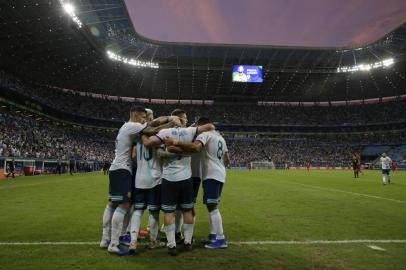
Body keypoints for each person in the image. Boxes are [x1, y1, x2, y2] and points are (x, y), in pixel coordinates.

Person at [100, 105, 181, 255]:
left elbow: (135, 152)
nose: (145, 121)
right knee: (135, 207)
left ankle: (111, 239)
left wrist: (167, 120)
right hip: (137, 172)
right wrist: (171, 123)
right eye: (143, 118)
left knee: (127, 206)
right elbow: (152, 130)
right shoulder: (135, 127)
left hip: (133, 175)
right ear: (137, 116)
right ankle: (115, 242)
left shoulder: (132, 132)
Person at [141, 109, 215, 256]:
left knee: (169, 212)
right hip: (186, 178)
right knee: (187, 210)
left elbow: (148, 143)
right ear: (181, 120)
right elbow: (210, 126)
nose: (186, 120)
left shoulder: (164, 133)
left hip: (169, 179)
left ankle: (171, 245)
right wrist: (185, 150)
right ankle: (187, 242)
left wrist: (143, 134)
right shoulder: (189, 132)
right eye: (184, 118)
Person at [165, 117, 230, 249]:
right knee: (212, 204)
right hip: (221, 173)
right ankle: (213, 234)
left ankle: (220, 238)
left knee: (212, 206)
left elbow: (195, 147)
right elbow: (227, 160)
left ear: (202, 126)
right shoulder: (220, 138)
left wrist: (175, 142)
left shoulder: (205, 134)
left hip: (211, 174)